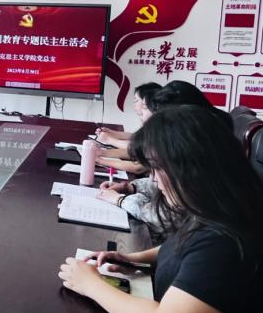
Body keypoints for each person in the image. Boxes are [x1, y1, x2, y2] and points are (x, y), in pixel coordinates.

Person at [59, 105, 263, 313]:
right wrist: (134, 259)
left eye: (158, 168)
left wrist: (91, 285)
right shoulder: (214, 208)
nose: (154, 180)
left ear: (191, 166)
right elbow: (183, 246)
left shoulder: (224, 240)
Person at [97, 80, 232, 234]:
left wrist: (120, 200)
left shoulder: (204, 156)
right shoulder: (200, 140)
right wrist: (131, 187)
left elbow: (166, 217)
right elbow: (162, 181)